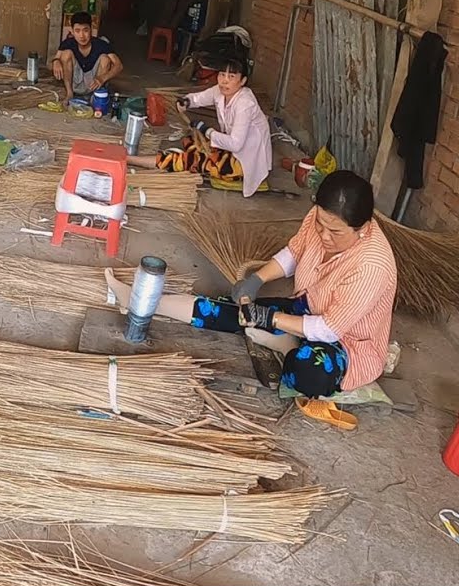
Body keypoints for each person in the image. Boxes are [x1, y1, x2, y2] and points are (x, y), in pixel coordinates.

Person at [103, 171, 396, 426]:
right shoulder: (320, 215)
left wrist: (272, 319)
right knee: (234, 312)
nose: (324, 235)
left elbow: (329, 329)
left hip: (348, 344)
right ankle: (142, 301)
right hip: (307, 308)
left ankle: (285, 344)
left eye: (335, 232)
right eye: (320, 224)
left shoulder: (372, 266)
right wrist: (257, 280)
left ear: (363, 229)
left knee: (308, 372)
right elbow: (295, 253)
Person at [129, 59, 273, 197]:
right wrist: (187, 101)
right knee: (191, 140)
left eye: (231, 76)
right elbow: (200, 98)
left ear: (242, 81)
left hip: (245, 160)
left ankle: (130, 159)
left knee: (191, 159)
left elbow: (236, 144)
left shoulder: (245, 103)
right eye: (222, 74)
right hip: (231, 147)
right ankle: (186, 158)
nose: (224, 80)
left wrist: (207, 131)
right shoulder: (221, 91)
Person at [52, 11, 123, 99]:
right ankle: (69, 94)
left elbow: (119, 65)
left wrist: (102, 78)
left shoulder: (101, 45)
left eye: (85, 30)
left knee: (105, 58)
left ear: (91, 29)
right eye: (77, 31)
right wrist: (56, 62)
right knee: (66, 54)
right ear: (72, 31)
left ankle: (95, 97)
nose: (82, 36)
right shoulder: (67, 43)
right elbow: (56, 58)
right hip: (75, 83)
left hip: (95, 83)